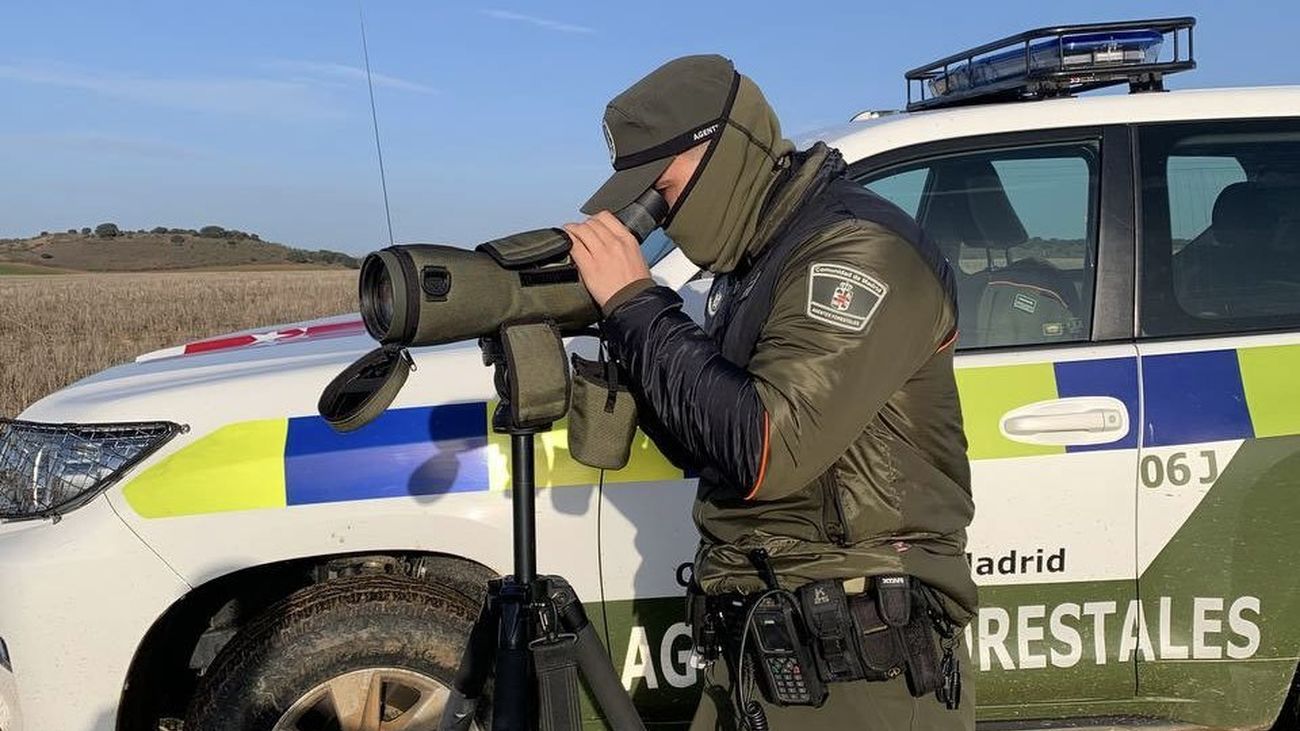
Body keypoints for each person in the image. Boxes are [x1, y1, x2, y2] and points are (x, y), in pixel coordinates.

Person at [564, 54, 976, 731]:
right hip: (765, 635)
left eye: (662, 188)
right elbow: (714, 442)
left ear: (725, 150)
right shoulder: (760, 260)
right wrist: (628, 348)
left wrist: (638, 304)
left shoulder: (854, 250)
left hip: (855, 652)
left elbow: (765, 446)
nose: (658, 211)